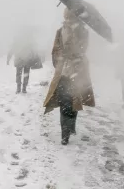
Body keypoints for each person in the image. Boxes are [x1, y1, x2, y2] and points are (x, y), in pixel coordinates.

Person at [43, 8, 95, 145]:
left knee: (73, 101)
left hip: (77, 71)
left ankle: (69, 128)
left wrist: (74, 55)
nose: (67, 17)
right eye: (67, 15)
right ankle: (65, 133)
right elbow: (56, 50)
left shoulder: (83, 32)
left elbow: (83, 48)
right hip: (65, 71)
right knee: (66, 101)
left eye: (69, 14)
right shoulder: (61, 31)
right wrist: (61, 59)